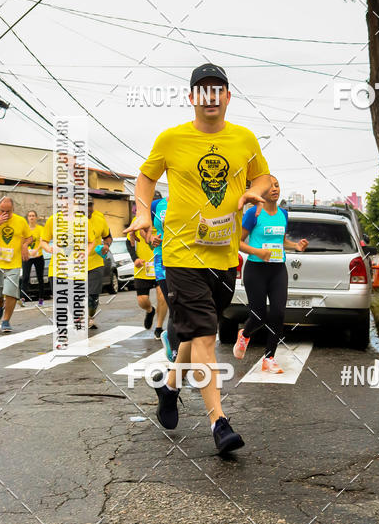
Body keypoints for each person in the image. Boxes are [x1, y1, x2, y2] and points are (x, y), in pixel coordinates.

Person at [127, 62, 271, 454]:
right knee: (205, 335)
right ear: (191, 98)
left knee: (194, 332)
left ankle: (169, 386)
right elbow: (145, 178)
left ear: (227, 96)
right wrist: (142, 212)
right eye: (202, 90)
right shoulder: (172, 139)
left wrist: (253, 190)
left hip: (224, 258)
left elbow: (264, 177)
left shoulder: (244, 139)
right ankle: (218, 422)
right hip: (180, 253)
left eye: (218, 89)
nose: (210, 96)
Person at [233, 176, 308, 372]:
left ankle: (269, 357)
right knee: (258, 315)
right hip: (256, 269)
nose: (275, 189)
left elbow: (282, 241)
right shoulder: (253, 214)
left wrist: (296, 246)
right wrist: (257, 252)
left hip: (278, 269)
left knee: (278, 312)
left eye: (277, 185)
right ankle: (245, 335)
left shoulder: (283, 213)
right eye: (270, 186)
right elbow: (237, 242)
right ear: (261, 190)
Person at [0, 196, 32, 332]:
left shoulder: (20, 221)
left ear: (13, 209)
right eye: (2, 211)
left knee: (11, 292)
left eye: (7, 211)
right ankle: (0, 304)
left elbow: (29, 237)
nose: (4, 214)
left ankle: (6, 321)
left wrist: (25, 245)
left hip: (14, 263)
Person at [126, 211, 167, 336]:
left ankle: (159, 327)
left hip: (161, 264)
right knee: (142, 301)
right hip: (143, 267)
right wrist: (135, 259)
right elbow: (129, 242)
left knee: (162, 297)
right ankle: (150, 310)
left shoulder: (166, 219)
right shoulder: (138, 220)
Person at [150, 196, 179, 362]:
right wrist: (150, 238)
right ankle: (175, 350)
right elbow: (145, 230)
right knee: (174, 306)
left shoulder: (191, 200)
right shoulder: (157, 205)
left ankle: (174, 337)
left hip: (186, 259)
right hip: (162, 259)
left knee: (184, 306)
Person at [87, 200, 112, 329]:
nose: (88, 207)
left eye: (90, 204)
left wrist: (106, 246)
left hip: (96, 261)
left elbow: (108, 237)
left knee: (93, 294)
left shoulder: (99, 219)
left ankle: (90, 317)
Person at [21, 209, 45, 305]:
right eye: (30, 216)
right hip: (27, 257)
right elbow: (21, 241)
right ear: (28, 218)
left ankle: (41, 299)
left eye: (33, 215)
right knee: (25, 277)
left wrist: (36, 249)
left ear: (36, 217)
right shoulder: (24, 229)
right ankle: (22, 298)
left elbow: (42, 240)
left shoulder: (40, 229)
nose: (31, 217)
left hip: (38, 256)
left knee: (40, 278)